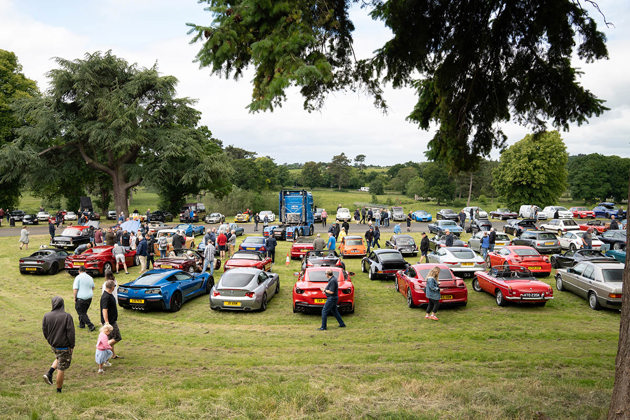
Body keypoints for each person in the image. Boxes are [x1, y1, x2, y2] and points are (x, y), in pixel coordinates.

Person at [42, 296, 75, 393]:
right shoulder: (66, 316)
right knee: (61, 368)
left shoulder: (46, 316)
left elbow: (45, 331)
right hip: (64, 346)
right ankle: (58, 390)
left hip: (54, 346)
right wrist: (71, 345)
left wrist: (50, 341)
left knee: (59, 358)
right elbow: (71, 333)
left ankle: (49, 373)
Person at [101, 280, 122, 359]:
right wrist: (106, 322)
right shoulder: (106, 297)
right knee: (117, 337)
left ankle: (113, 355)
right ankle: (103, 347)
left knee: (111, 338)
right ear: (112, 287)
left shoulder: (109, 294)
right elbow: (104, 310)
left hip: (111, 320)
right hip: (110, 322)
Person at [73, 265, 96, 331]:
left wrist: (75, 298)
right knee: (83, 311)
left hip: (81, 298)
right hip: (89, 298)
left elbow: (75, 289)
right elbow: (93, 287)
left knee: (81, 312)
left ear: (79, 271)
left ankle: (90, 325)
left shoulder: (78, 277)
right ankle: (81, 324)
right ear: (85, 271)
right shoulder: (90, 277)